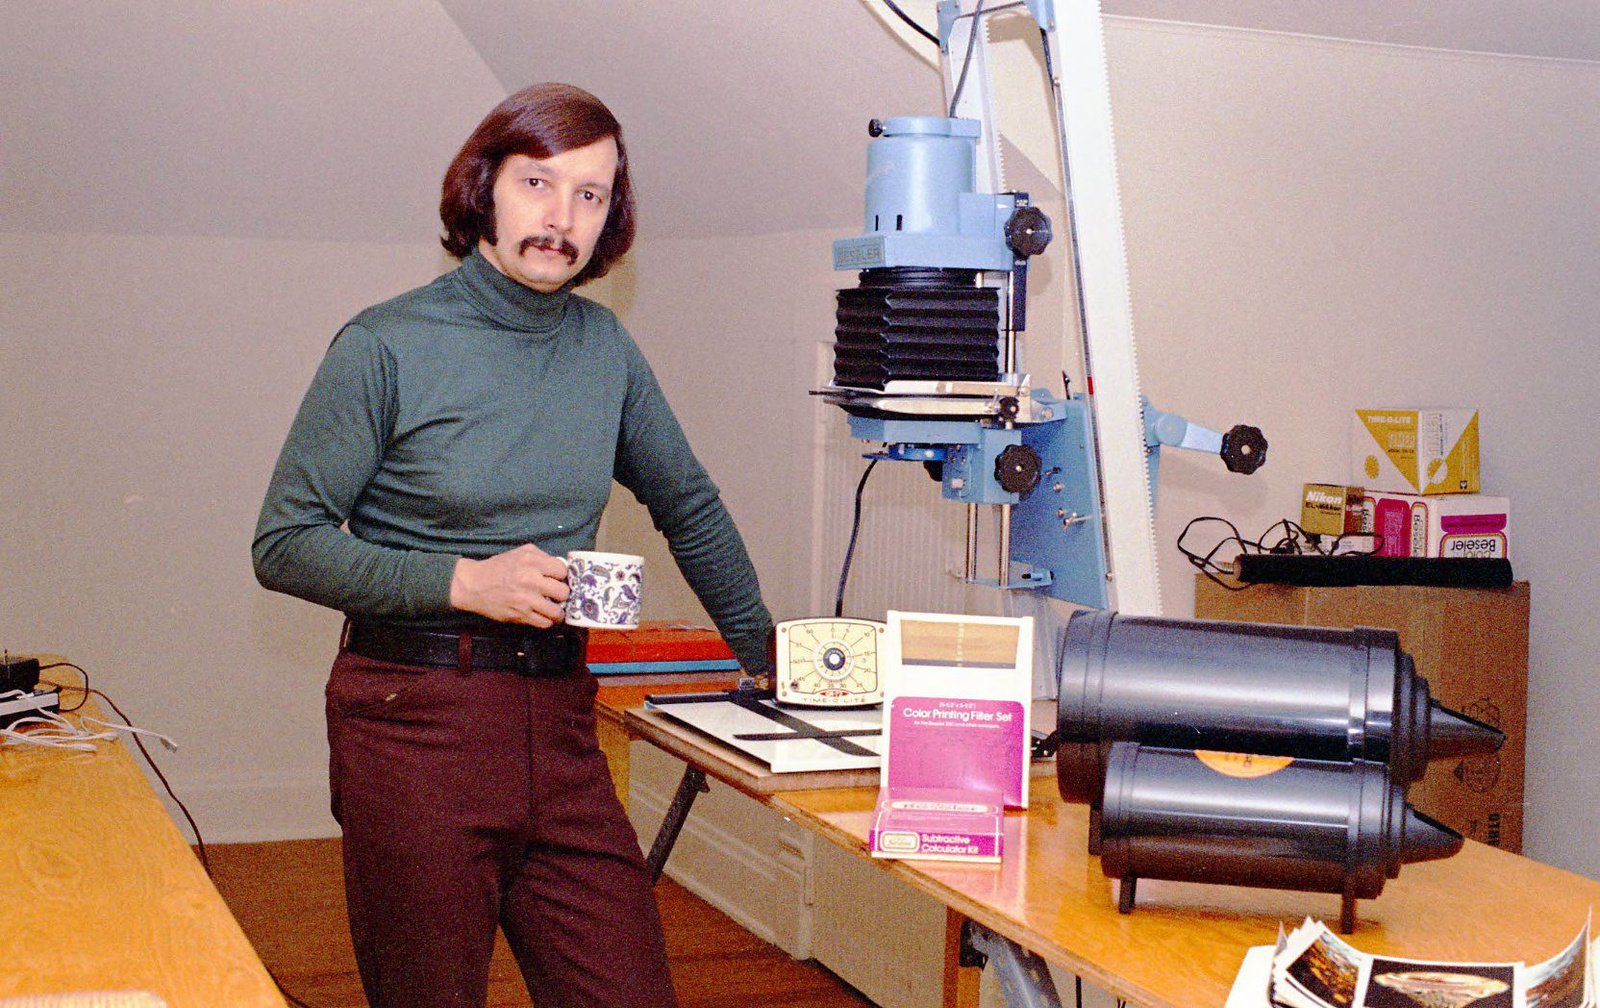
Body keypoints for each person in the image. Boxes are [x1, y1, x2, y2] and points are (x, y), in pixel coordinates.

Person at [253, 82, 774, 1008]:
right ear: (483, 187)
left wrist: (770, 655)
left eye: (590, 194)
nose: (561, 217)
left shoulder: (604, 349)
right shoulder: (385, 344)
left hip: (562, 719)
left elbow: (688, 504)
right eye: (538, 182)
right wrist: (463, 582)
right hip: (414, 724)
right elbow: (285, 544)